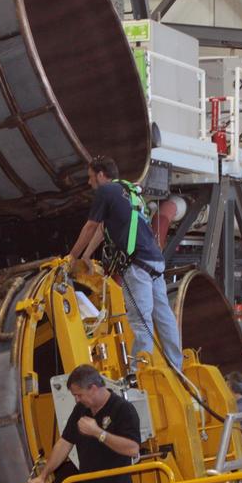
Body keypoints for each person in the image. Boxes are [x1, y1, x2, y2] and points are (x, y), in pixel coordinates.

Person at [66, 156, 183, 371]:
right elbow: (103, 229)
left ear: (102, 175)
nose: (89, 183)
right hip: (155, 261)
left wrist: (72, 257)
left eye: (91, 177)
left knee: (141, 320)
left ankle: (139, 373)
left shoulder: (105, 191)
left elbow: (91, 226)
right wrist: (87, 255)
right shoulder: (127, 191)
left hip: (137, 265)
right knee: (163, 315)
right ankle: (176, 366)